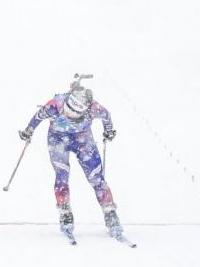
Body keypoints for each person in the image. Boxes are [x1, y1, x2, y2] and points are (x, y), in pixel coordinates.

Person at [18, 75, 123, 238]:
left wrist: (108, 130)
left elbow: (106, 115)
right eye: (68, 110)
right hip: (58, 139)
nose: (70, 115)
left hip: (83, 139)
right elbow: (38, 117)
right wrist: (28, 131)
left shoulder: (94, 108)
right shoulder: (55, 105)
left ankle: (110, 212)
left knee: (96, 177)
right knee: (62, 175)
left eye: (75, 113)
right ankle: (65, 211)